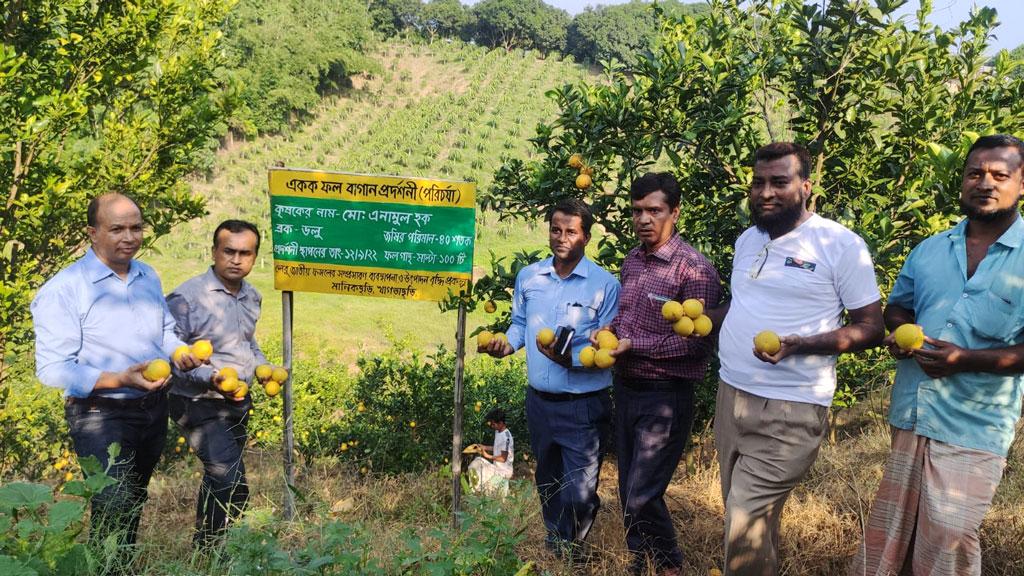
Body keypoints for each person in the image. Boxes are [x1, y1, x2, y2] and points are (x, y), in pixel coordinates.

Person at [850, 134, 1024, 576]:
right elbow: (898, 305)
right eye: (974, 173)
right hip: (912, 409)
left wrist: (964, 359)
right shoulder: (931, 249)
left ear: (1021, 184)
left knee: (950, 531)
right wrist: (901, 334)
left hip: (975, 420)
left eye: (999, 175)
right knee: (898, 535)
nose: (984, 182)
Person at [710, 142, 884, 576]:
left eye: (779, 182)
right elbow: (741, 305)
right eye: (758, 182)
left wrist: (801, 344)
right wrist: (693, 322)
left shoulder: (839, 244)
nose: (766, 192)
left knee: (744, 520)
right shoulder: (747, 240)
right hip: (731, 396)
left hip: (790, 407)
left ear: (806, 187)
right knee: (746, 517)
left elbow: (871, 327)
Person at [32, 193, 200, 555]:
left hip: (152, 407)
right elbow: (51, 368)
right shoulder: (64, 290)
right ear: (92, 233)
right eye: (117, 229)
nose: (129, 237)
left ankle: (119, 565)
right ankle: (105, 566)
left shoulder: (146, 276)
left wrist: (178, 352)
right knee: (114, 503)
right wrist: (120, 379)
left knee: (133, 500)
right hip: (99, 413)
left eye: (136, 227)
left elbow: (164, 329)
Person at [597, 172, 722, 576]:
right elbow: (628, 316)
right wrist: (611, 334)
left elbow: (697, 343)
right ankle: (637, 563)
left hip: (665, 395)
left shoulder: (694, 270)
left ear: (675, 212)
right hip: (628, 387)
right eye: (637, 211)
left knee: (641, 493)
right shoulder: (632, 260)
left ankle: (670, 567)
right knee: (627, 488)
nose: (644, 219)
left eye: (654, 210)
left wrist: (638, 346)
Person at [481, 198, 619, 561]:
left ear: (586, 237)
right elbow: (520, 325)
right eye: (556, 230)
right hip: (539, 401)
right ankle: (558, 545)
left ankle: (571, 548)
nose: (562, 238)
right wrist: (505, 345)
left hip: (584, 404)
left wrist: (569, 360)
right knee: (547, 482)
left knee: (580, 491)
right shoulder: (530, 277)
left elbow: (608, 347)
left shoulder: (604, 285)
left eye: (571, 231)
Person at [166, 219, 272, 548]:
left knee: (219, 476)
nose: (236, 259)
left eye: (245, 253)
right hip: (195, 401)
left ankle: (209, 547)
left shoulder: (252, 296)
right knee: (231, 479)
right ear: (214, 252)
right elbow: (167, 352)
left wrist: (263, 367)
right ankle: (231, 547)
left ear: (255, 257)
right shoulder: (187, 297)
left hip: (237, 400)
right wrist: (209, 376)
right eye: (229, 251)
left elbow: (247, 344)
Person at [467, 407, 514, 495]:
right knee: (475, 463)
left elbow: (503, 458)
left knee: (485, 485)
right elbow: (497, 448)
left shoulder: (506, 437)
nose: (492, 426)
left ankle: (478, 494)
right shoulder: (498, 431)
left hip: (503, 472)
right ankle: (474, 492)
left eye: (493, 424)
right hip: (496, 467)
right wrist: (484, 447)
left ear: (500, 423)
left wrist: (487, 456)